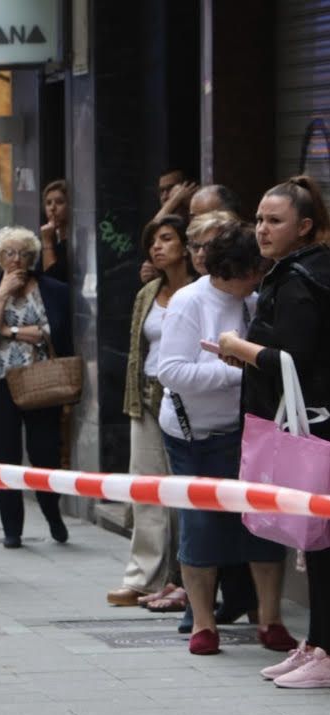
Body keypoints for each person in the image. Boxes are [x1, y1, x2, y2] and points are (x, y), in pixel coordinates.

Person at [157, 222, 296, 656]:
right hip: (194, 434)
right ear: (233, 270)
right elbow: (171, 371)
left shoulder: (254, 301)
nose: (259, 278)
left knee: (265, 524)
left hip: (249, 430)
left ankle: (270, 618)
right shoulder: (189, 302)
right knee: (200, 527)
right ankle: (203, 623)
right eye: (254, 270)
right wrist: (235, 368)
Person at [218, 175, 330, 687]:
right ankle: (316, 644)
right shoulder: (295, 273)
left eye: (275, 220)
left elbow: (294, 357)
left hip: (318, 426)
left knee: (322, 543)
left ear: (304, 227)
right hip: (309, 422)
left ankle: (324, 652)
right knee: (316, 543)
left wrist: (237, 346)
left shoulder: (304, 280)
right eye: (259, 219)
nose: (261, 229)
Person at [107, 215, 197, 607]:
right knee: (144, 485)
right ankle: (142, 576)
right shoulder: (148, 292)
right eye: (152, 242)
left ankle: (181, 577)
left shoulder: (201, 292)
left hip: (187, 398)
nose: (157, 247)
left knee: (183, 489)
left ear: (186, 246)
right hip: (144, 393)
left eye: (166, 239)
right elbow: (136, 351)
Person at [0, 227, 72, 548]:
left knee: (44, 453)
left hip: (40, 382)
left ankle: (52, 514)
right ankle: (11, 529)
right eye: (9, 254)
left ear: (32, 258)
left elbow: (48, 332)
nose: (16, 260)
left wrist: (10, 331)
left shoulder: (53, 290)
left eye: (23, 254)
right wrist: (3, 294)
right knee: (3, 456)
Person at [39, 180, 70, 282]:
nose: (52, 208)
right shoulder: (52, 237)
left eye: (59, 202)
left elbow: (53, 281)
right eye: (48, 203)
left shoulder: (78, 239)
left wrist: (46, 241)